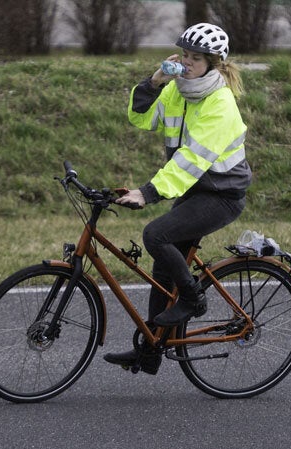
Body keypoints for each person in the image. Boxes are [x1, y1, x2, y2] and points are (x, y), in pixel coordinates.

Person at [103, 23, 251, 374]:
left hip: (221, 194)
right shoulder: (177, 90)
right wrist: (154, 82)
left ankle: (192, 298)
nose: (185, 63)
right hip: (193, 191)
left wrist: (148, 193)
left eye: (195, 58)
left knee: (156, 235)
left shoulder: (220, 103)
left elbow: (191, 161)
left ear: (214, 64)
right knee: (163, 266)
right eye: (183, 55)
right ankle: (151, 351)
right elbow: (141, 118)